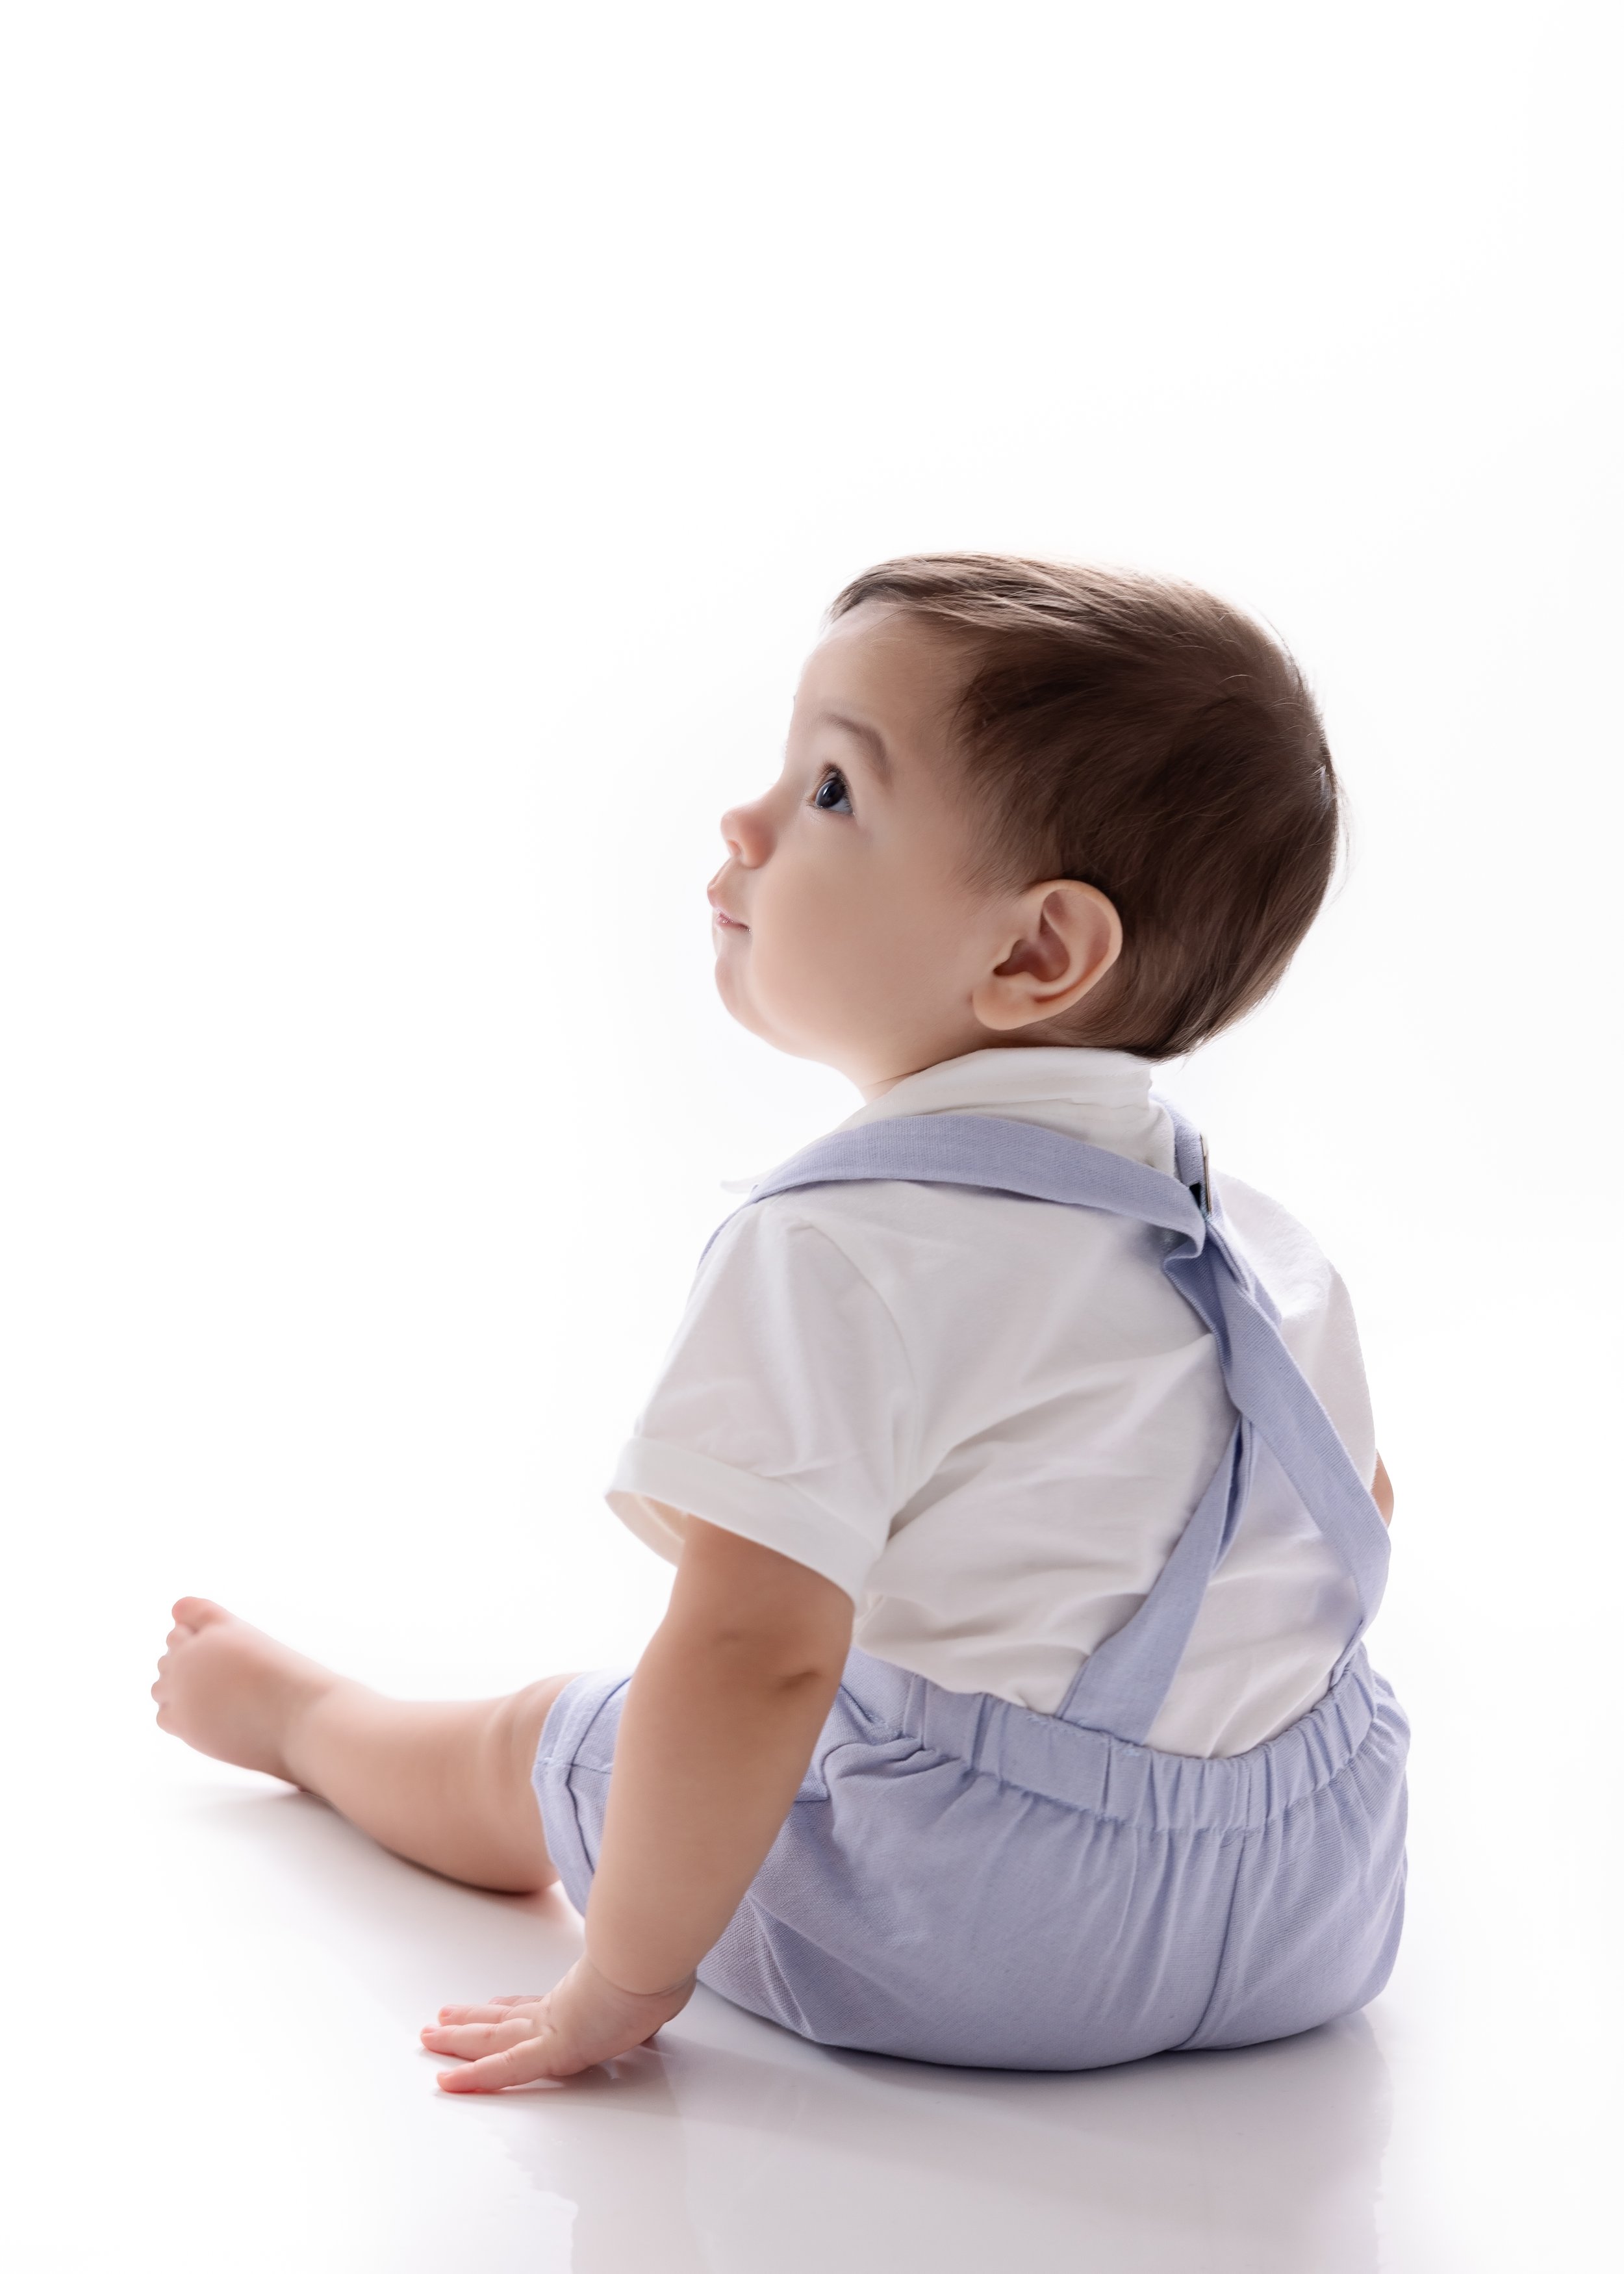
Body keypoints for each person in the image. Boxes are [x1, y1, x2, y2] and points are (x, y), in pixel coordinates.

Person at [153, 554, 1408, 2088]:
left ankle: (304, 1722)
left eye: (828, 791)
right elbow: (1347, 1529)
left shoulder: (838, 1250)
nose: (743, 823)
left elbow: (752, 1657)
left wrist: (617, 1977)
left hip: (989, 1936)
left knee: (563, 1731)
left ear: (1033, 955)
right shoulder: (1260, 1244)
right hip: (1315, 1899)